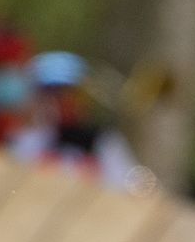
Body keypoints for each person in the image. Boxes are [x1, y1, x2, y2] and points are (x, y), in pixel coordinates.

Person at [7, 51, 140, 185]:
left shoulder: (104, 142)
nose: (61, 100)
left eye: (69, 92)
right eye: (52, 93)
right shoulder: (23, 141)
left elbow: (128, 187)